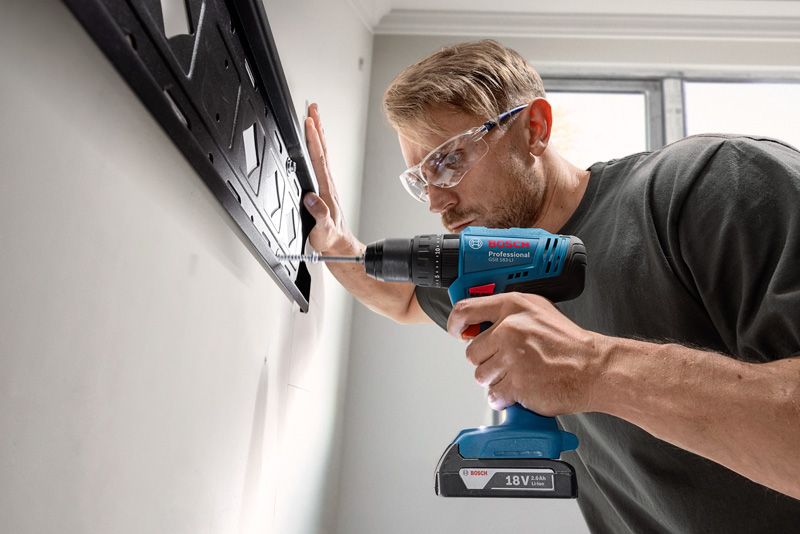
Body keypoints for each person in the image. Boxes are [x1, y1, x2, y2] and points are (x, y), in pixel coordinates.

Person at [301, 40, 800, 532]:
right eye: (419, 180)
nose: (435, 201)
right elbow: (404, 297)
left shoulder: (711, 183)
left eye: (448, 162)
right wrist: (335, 242)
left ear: (534, 128)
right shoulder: (490, 264)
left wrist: (593, 367)